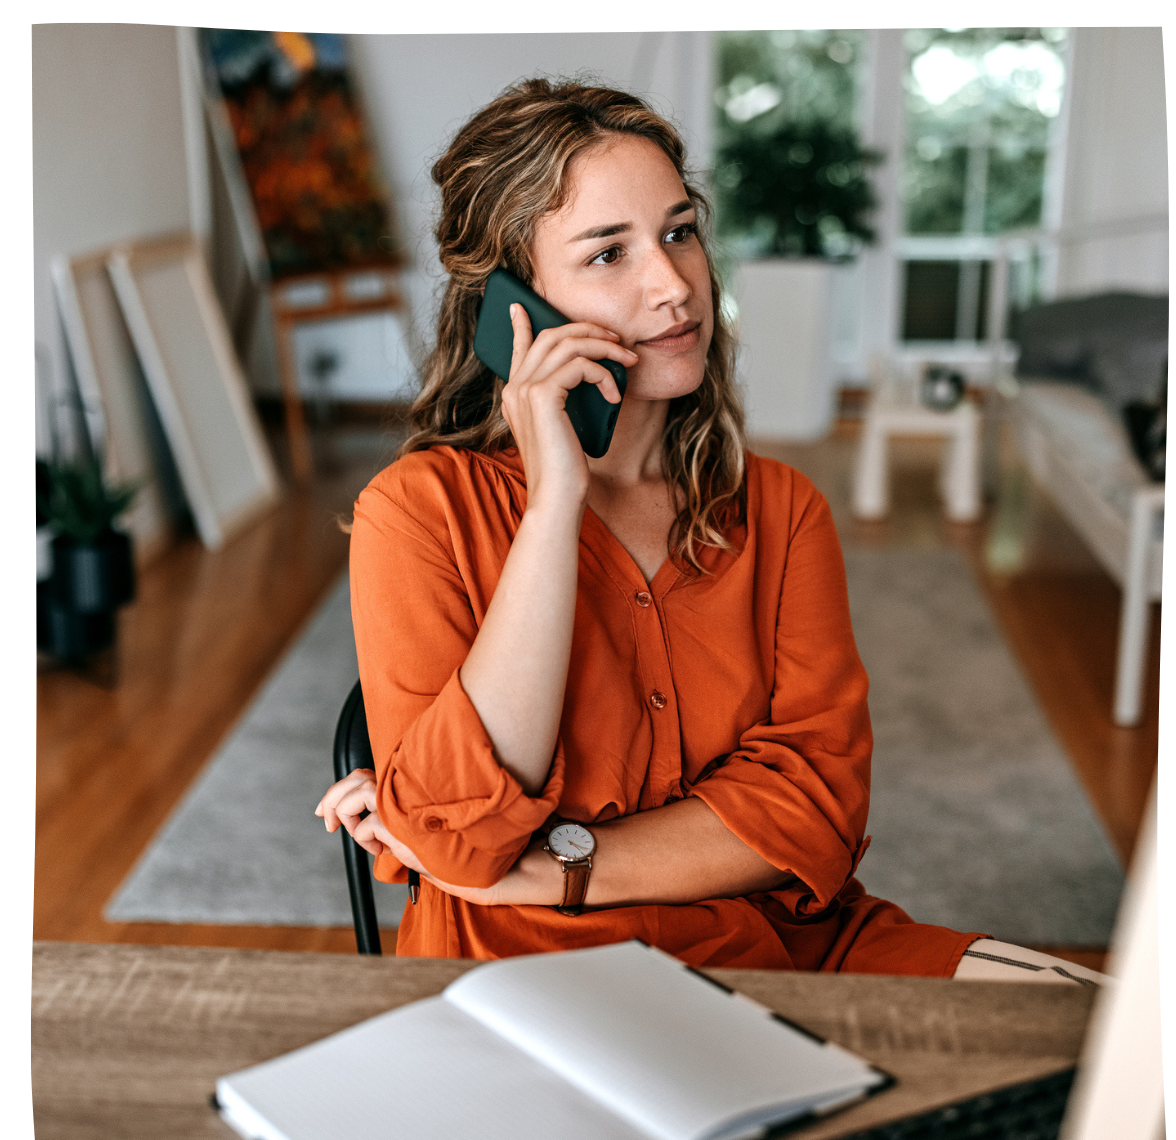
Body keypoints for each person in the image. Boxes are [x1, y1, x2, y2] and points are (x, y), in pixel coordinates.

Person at [317, 78, 1104, 985]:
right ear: (513, 308)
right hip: (529, 968)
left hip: (785, 950)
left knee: (1100, 1044)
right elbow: (458, 836)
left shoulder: (782, 510)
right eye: (608, 255)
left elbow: (816, 808)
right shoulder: (419, 513)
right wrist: (554, 504)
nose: (674, 285)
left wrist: (551, 865)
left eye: (679, 231)